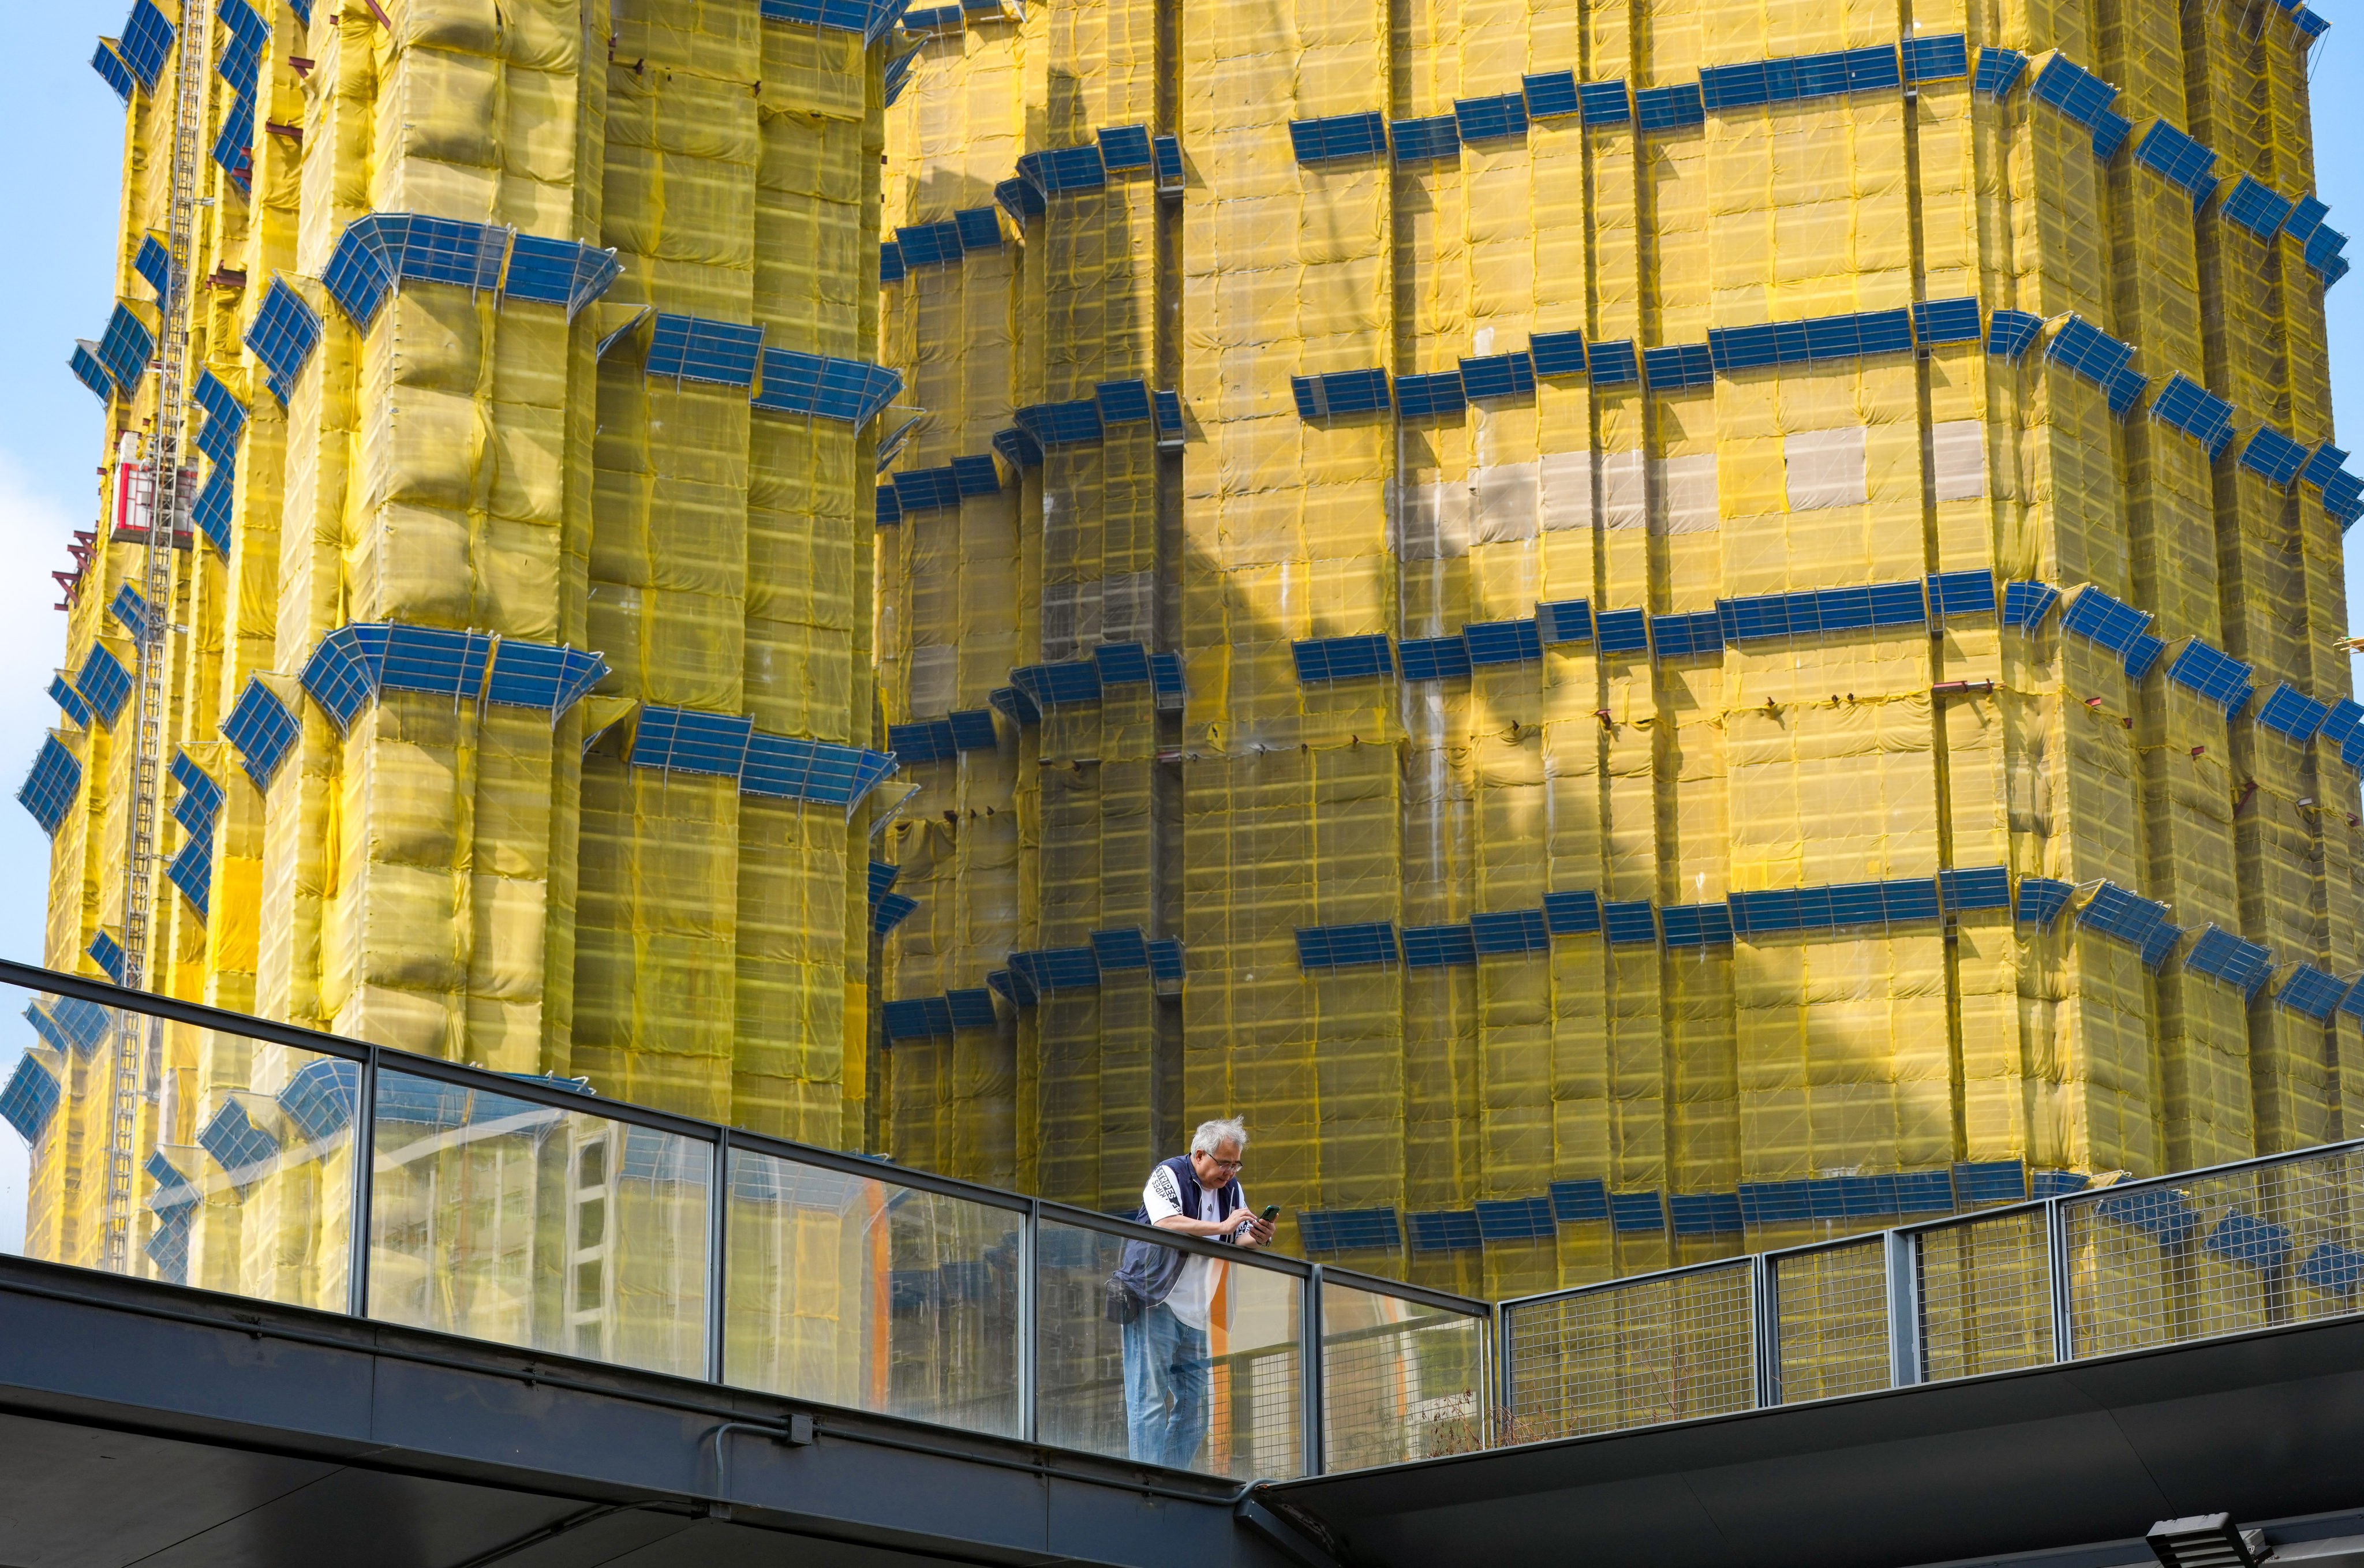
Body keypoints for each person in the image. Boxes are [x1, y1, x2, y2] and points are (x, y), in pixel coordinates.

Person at [1115, 1118, 1274, 1470]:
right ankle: (1146, 1480)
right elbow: (1166, 1222)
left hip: (1197, 1312)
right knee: (1149, 1400)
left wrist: (1258, 1236)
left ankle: (1170, 1479)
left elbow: (1236, 1238)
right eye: (1225, 1163)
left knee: (1198, 1406)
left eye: (1236, 1164)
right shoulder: (1168, 1174)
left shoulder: (1233, 1191)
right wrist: (1222, 1227)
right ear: (1200, 1154)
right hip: (1154, 1300)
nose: (1230, 1172)